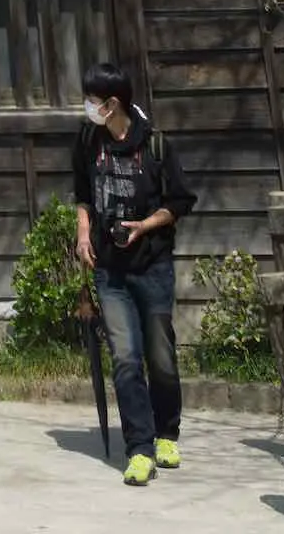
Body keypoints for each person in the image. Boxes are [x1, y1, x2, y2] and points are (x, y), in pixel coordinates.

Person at [73, 61, 197, 487]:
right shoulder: (89, 141)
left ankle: (167, 433)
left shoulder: (157, 145)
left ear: (113, 104)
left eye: (92, 100)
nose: (87, 107)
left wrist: (144, 226)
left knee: (160, 357)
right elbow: (83, 193)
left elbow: (179, 201)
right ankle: (139, 448)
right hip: (111, 271)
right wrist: (84, 232)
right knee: (126, 359)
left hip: (153, 265)